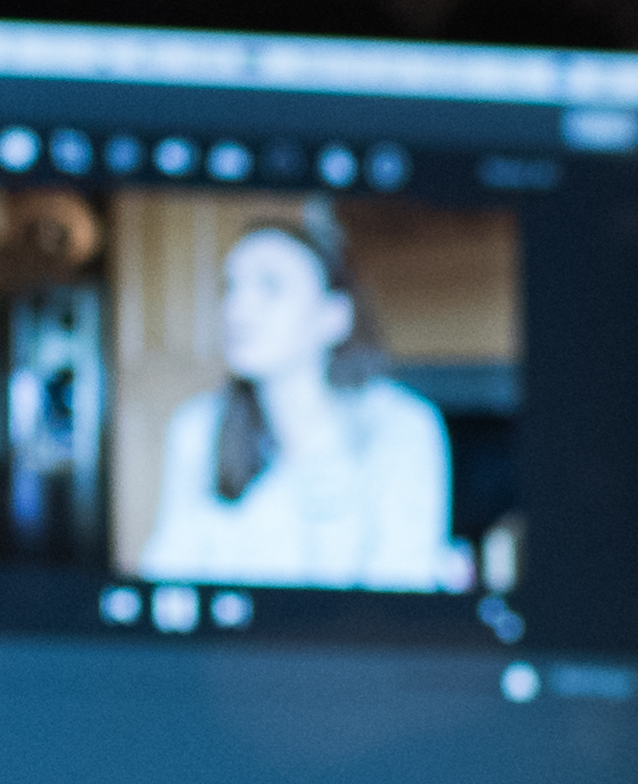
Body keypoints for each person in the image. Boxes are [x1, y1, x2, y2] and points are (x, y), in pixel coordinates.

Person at [142, 209, 465, 589]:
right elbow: (167, 578)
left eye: (270, 286)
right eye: (231, 286)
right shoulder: (197, 427)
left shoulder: (402, 428)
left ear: (334, 316)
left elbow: (399, 592)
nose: (237, 308)